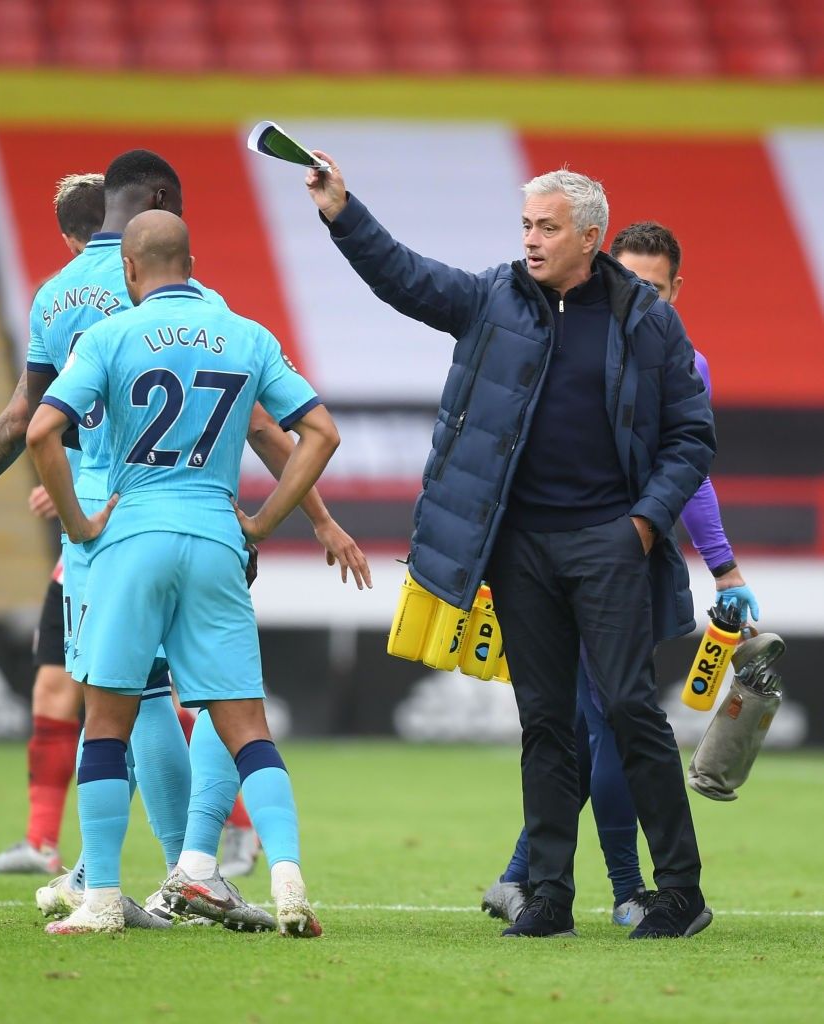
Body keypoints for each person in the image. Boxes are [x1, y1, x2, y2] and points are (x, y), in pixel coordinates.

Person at [305, 158, 716, 939]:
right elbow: (405, 278)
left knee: (629, 708)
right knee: (545, 720)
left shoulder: (647, 319)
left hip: (609, 543)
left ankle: (680, 893)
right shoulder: (493, 296)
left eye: (547, 227)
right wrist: (341, 212)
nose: (530, 239)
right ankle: (549, 895)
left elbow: (692, 436)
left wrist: (641, 523)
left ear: (589, 237)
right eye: (526, 225)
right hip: (521, 548)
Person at [27, 209, 335, 937]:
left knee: (109, 721)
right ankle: (287, 879)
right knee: (247, 726)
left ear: (129, 270)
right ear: (192, 265)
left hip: (132, 538)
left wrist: (78, 523)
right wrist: (264, 522)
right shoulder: (247, 333)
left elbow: (41, 429)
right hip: (217, 538)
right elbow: (319, 432)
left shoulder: (109, 335)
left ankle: (102, 898)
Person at [482, 221, 764, 928]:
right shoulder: (573, 336)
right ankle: (603, 886)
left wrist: (723, 566)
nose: (640, 297)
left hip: (618, 568)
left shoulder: (677, 358)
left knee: (604, 721)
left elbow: (691, 471)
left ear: (676, 291)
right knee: (583, 723)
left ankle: (564, 881)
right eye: (630, 281)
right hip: (558, 561)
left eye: (654, 288)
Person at [0, 174, 105, 876]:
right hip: (85, 526)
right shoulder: (128, 289)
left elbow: (34, 412)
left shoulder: (64, 294)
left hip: (121, 522)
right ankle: (42, 842)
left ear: (67, 237)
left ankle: (230, 830)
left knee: (139, 694)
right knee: (57, 683)